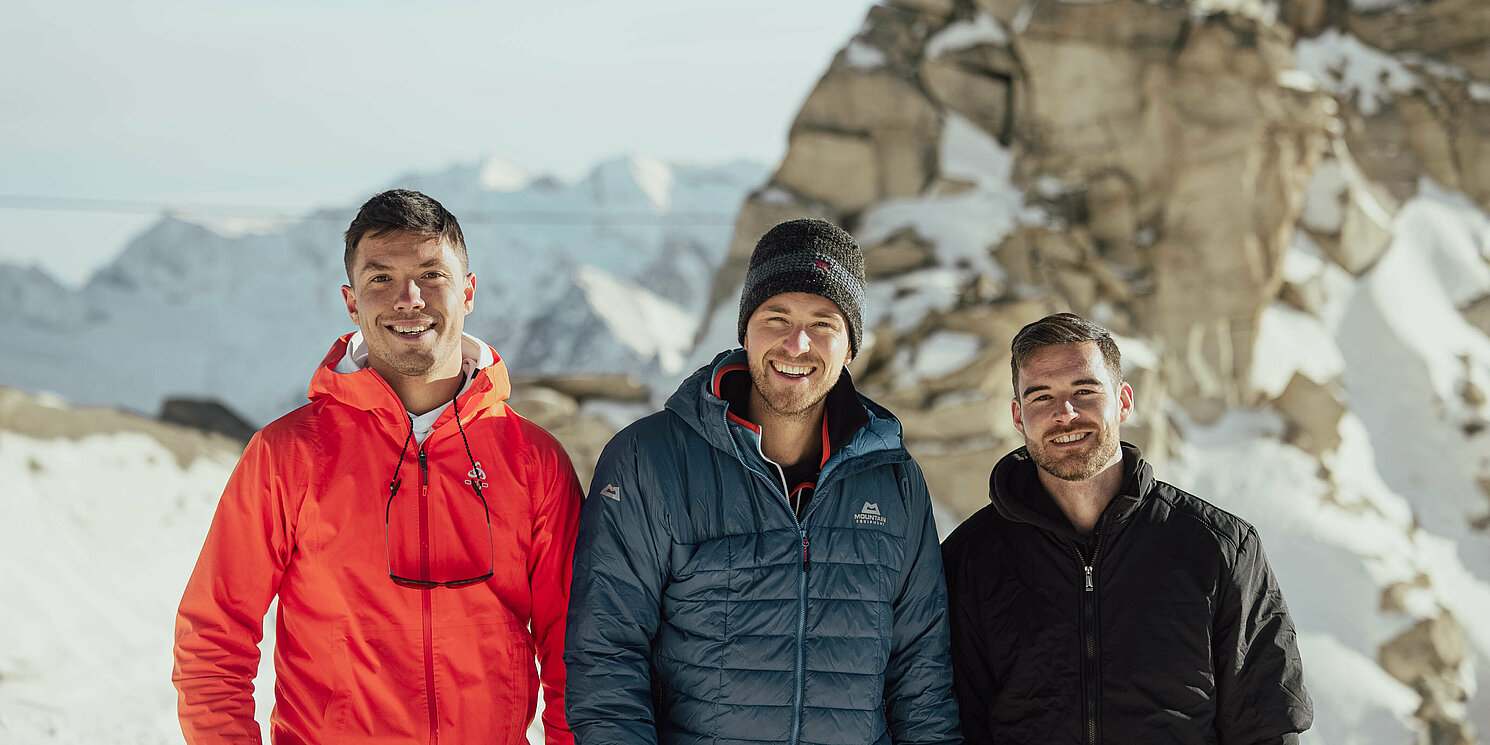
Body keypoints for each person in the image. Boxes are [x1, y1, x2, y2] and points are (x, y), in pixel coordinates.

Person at [173, 189, 583, 744]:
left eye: (431, 273)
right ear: (351, 302)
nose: (408, 298)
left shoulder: (534, 462)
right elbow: (213, 638)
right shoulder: (288, 454)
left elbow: (577, 653)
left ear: (468, 291)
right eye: (380, 278)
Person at [564, 218, 960, 745]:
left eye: (824, 323)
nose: (797, 344)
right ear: (745, 330)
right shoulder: (650, 460)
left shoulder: (893, 479)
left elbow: (921, 677)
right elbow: (606, 656)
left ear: (850, 348)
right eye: (776, 317)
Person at [941, 312, 1313, 744]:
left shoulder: (1220, 548)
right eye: (1041, 397)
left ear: (1123, 400)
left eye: (1085, 390)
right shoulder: (969, 559)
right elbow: (953, 724)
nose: (1065, 413)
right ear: (1018, 416)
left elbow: (1266, 723)